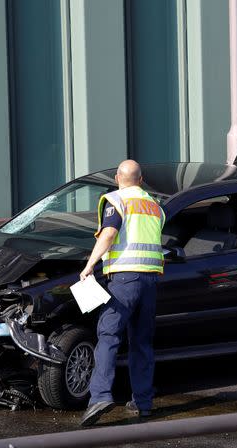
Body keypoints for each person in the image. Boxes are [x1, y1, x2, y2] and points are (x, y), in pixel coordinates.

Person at [79, 159, 165, 427]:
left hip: (124, 280)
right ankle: (143, 402)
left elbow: (108, 234)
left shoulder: (117, 200)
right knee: (142, 342)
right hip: (150, 281)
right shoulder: (155, 206)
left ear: (117, 177)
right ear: (140, 179)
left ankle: (100, 397)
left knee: (108, 335)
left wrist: (90, 265)